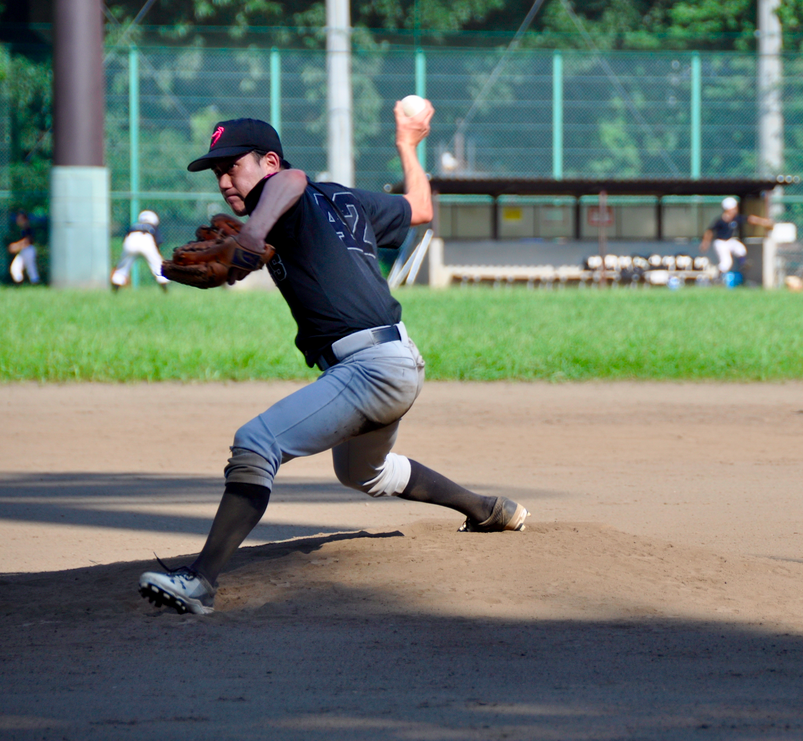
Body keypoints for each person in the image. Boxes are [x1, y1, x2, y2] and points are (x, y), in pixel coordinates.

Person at [139, 112, 529, 615]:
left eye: (232, 166)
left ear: (270, 162)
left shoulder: (279, 191)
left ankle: (199, 582)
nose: (223, 181)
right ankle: (488, 510)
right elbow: (420, 207)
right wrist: (407, 145)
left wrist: (253, 234)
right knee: (364, 474)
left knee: (256, 442)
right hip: (393, 362)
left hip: (371, 368)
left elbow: (293, 181)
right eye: (217, 172)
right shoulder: (343, 200)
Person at [699, 197, 773, 278]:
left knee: (740, 248)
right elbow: (709, 231)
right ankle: (716, 276)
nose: (735, 210)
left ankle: (743, 264)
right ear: (728, 209)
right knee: (726, 263)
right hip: (720, 242)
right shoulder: (720, 220)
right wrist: (705, 243)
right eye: (734, 208)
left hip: (729, 241)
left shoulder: (735, 218)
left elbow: (750, 219)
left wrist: (763, 222)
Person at [111, 209, 170, 292]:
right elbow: (158, 241)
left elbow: (125, 238)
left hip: (131, 241)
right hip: (146, 240)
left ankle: (116, 287)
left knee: (123, 266)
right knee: (158, 265)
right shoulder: (152, 227)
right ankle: (164, 287)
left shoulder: (134, 226)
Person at [8, 210, 39, 285]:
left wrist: (16, 246)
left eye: (20, 219)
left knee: (30, 268)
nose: (18, 221)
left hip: (29, 250)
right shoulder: (22, 229)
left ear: (24, 219)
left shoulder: (28, 228)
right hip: (24, 250)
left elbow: (27, 241)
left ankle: (35, 283)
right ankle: (20, 283)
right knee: (15, 267)